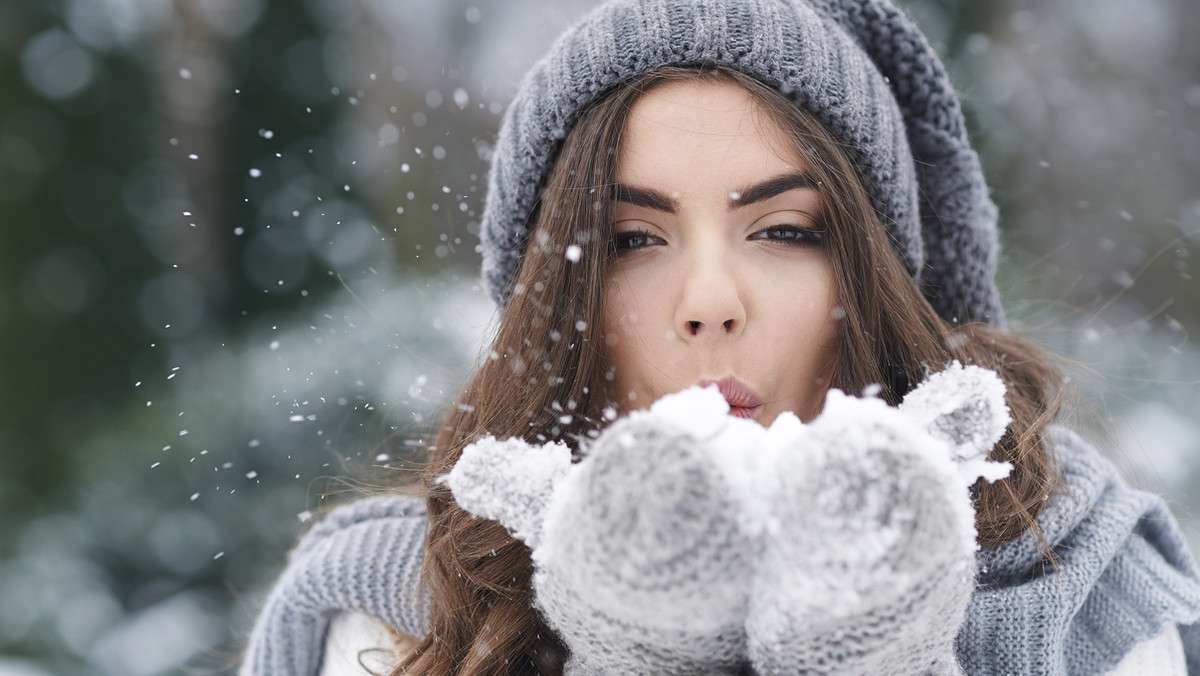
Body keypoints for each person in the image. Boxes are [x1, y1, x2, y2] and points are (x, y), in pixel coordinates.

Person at [238, 0, 1200, 674]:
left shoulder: (1078, 592)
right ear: (554, 301)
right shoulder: (402, 614)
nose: (708, 302)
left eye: (784, 231)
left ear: (868, 280)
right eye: (632, 241)